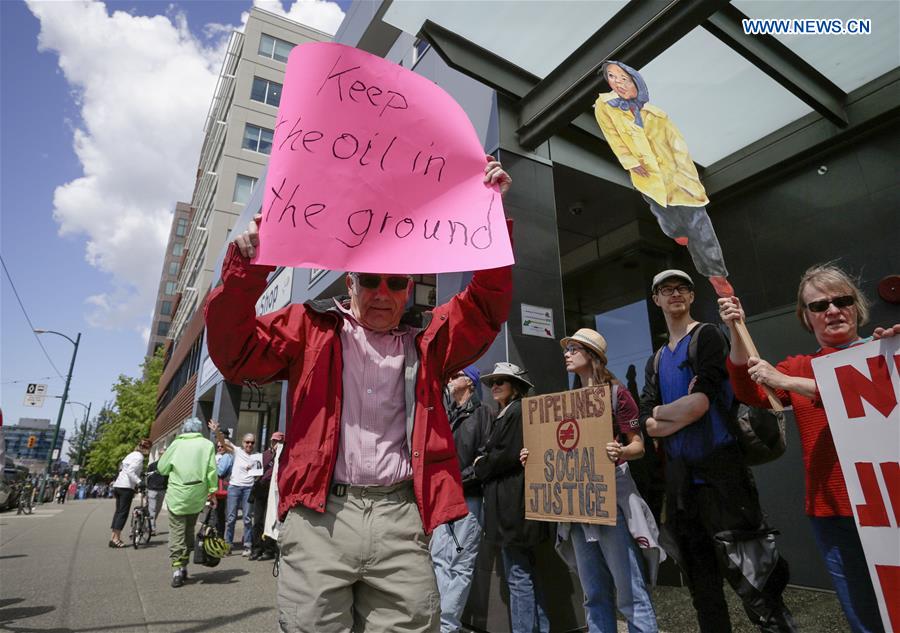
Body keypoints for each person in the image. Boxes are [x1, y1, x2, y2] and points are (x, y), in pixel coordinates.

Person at [204, 157, 512, 632]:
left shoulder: (428, 339)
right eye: (370, 280)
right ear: (350, 282)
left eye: (395, 282)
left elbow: (486, 306)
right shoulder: (308, 328)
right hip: (318, 518)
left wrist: (489, 216)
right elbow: (234, 353)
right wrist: (248, 268)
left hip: (401, 519)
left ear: (409, 288)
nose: (383, 293)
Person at [719, 264, 899, 633]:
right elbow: (749, 389)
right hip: (832, 512)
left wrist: (892, 352)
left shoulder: (882, 351)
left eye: (842, 300)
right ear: (806, 317)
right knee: (863, 616)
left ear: (857, 307)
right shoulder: (801, 365)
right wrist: (735, 329)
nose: (832, 310)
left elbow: (857, 389)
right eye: (819, 306)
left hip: (889, 503)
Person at [641, 269, 796, 632]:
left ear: (692, 297)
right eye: (667, 289)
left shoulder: (708, 336)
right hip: (682, 487)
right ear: (657, 300)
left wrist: (663, 416)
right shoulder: (656, 359)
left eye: (683, 288)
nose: (675, 294)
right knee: (703, 591)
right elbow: (647, 420)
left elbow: (700, 404)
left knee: (759, 587)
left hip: (724, 479)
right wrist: (668, 415)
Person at [522, 329, 660, 633]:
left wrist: (621, 450)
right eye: (566, 349)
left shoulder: (616, 393)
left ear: (592, 354)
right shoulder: (568, 402)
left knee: (631, 595)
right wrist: (533, 457)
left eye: (573, 348)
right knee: (593, 595)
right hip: (578, 508)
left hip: (611, 503)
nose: (566, 354)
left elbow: (638, 446)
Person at [594, 61, 733, 298]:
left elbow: (679, 149)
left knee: (701, 229)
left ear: (636, 81)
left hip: (678, 180)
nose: (618, 82)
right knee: (668, 221)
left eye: (623, 78)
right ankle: (677, 231)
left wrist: (688, 180)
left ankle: (716, 275)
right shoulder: (604, 106)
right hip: (648, 180)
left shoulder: (658, 116)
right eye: (611, 77)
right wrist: (631, 162)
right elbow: (613, 137)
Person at [475, 362, 550, 633]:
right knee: (526, 573)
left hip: (514, 505)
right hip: (512, 504)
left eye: (501, 381)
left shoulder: (517, 412)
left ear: (515, 387)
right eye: (493, 382)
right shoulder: (507, 412)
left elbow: (505, 455)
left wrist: (480, 464)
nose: (494, 386)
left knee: (518, 576)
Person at [431, 365, 492, 633]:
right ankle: (438, 623)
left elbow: (484, 460)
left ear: (470, 382)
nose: (450, 380)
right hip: (446, 499)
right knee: (439, 559)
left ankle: (447, 627)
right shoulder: (447, 414)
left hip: (468, 500)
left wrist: (458, 479)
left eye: (455, 376)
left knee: (459, 565)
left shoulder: (482, 414)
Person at [157, 417, 218, 588]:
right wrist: (212, 493)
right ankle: (185, 563)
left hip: (178, 494)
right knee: (189, 528)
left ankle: (178, 569)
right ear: (199, 430)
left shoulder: (176, 444)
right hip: (197, 495)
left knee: (177, 531)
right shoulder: (207, 445)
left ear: (185, 430)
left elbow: (162, 468)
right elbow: (212, 471)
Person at [208, 421, 259, 556]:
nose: (249, 445)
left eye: (252, 443)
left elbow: (259, 474)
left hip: (248, 488)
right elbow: (223, 443)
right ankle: (228, 545)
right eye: (247, 442)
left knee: (247, 518)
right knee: (231, 518)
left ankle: (247, 545)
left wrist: (254, 470)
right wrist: (216, 431)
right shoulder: (237, 451)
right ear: (243, 443)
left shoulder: (256, 457)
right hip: (234, 488)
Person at [109, 439, 150, 548]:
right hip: (126, 487)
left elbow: (122, 469)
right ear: (145, 449)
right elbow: (131, 471)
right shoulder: (139, 457)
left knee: (118, 512)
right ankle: (116, 539)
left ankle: (113, 537)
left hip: (118, 485)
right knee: (123, 513)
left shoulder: (130, 455)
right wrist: (139, 482)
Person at [249, 431, 284, 561]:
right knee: (257, 521)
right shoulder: (264, 455)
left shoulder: (283, 457)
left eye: (278, 441)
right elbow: (255, 469)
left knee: (269, 520)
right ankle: (256, 548)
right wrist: (251, 469)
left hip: (274, 490)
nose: (275, 443)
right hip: (261, 489)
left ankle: (269, 549)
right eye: (274, 441)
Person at [145, 448, 168, 535]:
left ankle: (149, 525)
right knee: (152, 509)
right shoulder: (152, 465)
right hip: (152, 490)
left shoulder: (167, 466)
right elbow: (147, 477)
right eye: (162, 454)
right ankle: (152, 529)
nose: (164, 455)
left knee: (157, 509)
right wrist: (147, 488)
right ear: (159, 455)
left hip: (162, 490)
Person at [213, 439, 233, 536]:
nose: (220, 448)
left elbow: (220, 472)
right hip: (220, 488)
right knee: (219, 513)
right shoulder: (220, 456)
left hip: (223, 489)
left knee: (220, 514)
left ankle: (219, 536)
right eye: (218, 446)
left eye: (222, 446)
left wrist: (213, 466)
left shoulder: (226, 457)